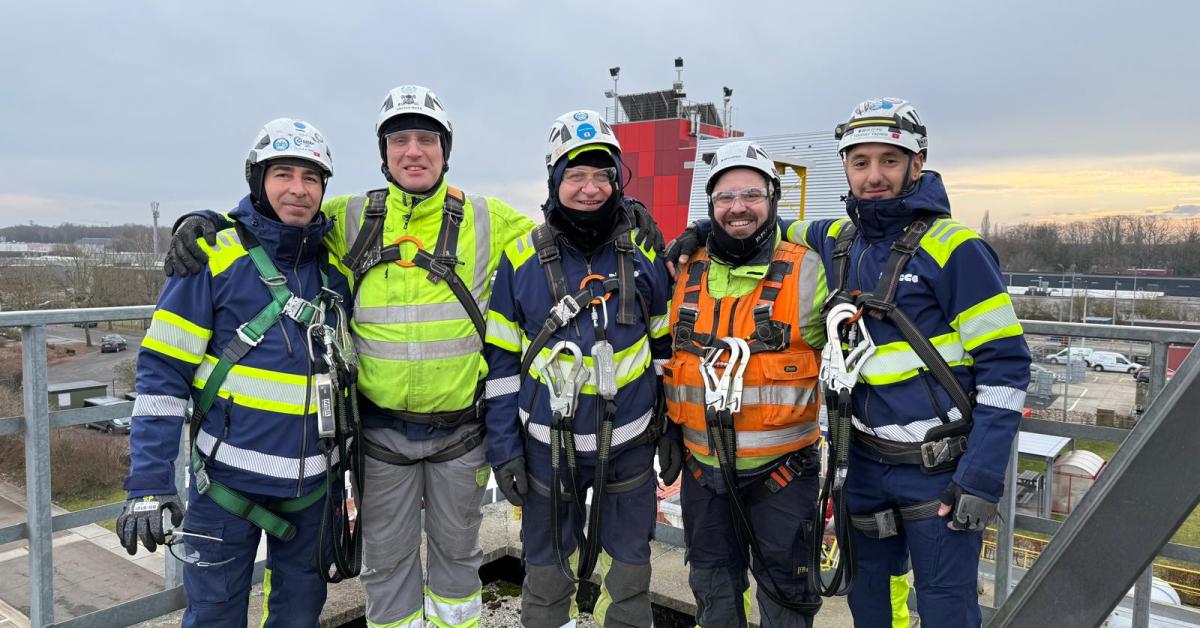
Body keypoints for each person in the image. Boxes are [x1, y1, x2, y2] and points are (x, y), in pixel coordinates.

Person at [160, 87, 668, 628]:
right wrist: (206, 220)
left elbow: (568, 229)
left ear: (446, 151)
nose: (414, 151)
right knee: (386, 566)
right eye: (400, 139)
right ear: (383, 153)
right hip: (381, 438)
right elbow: (279, 217)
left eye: (427, 139)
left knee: (458, 565)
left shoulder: (488, 219)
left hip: (459, 436)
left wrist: (625, 213)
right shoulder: (350, 217)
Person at [667, 99, 1031, 626]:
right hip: (861, 466)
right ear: (846, 167)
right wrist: (703, 229)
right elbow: (757, 223)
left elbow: (1007, 369)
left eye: (889, 160)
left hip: (938, 468)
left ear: (917, 163)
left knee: (946, 608)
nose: (874, 175)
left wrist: (981, 476)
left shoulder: (956, 249)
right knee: (870, 606)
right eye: (861, 162)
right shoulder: (839, 241)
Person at [117, 117, 351, 627]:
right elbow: (162, 376)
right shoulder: (212, 258)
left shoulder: (333, 268)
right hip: (226, 489)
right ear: (257, 181)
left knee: (300, 618)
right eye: (283, 174)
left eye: (311, 178)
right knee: (214, 618)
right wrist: (149, 485)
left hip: (314, 490)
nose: (298, 189)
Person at [483, 109, 674, 628]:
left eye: (602, 175)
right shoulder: (519, 260)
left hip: (630, 449)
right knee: (546, 577)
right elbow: (501, 367)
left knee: (629, 576)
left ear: (617, 181)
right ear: (554, 180)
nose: (590, 189)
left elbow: (665, 351)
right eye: (576, 175)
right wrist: (504, 449)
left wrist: (672, 429)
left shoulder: (644, 252)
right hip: (546, 453)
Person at [661, 140, 827, 627]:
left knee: (786, 601)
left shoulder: (810, 269)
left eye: (752, 195)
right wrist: (667, 429)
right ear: (711, 206)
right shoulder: (682, 269)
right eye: (725, 197)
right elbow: (662, 355)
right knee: (713, 594)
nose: (738, 207)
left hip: (783, 478)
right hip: (703, 476)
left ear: (773, 199)